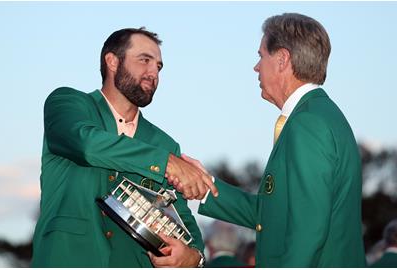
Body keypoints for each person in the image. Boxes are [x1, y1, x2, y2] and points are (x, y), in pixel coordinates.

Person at [173, 13, 367, 267]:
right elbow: (271, 213)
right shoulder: (317, 115)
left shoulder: (307, 124)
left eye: (261, 55)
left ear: (283, 59)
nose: (256, 66)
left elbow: (308, 230)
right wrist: (204, 187)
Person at [31, 27, 215, 267]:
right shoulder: (67, 103)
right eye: (144, 60)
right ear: (112, 61)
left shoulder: (164, 143)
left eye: (158, 66)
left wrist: (194, 257)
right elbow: (86, 144)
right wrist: (166, 163)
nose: (154, 73)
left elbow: (182, 220)